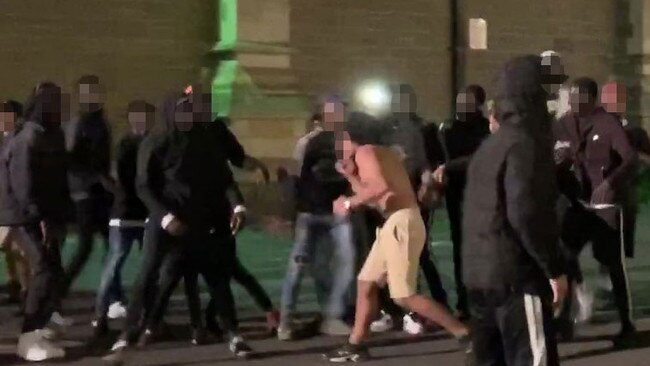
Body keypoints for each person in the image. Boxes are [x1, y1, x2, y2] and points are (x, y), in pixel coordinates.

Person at [106, 90, 253, 361]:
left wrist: (237, 205)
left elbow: (224, 177)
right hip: (165, 223)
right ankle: (126, 335)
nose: (187, 116)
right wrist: (165, 217)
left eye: (190, 111)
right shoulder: (156, 141)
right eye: (181, 111)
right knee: (147, 275)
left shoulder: (203, 139)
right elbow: (144, 186)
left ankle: (234, 334)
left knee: (217, 277)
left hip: (200, 221)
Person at [323, 130, 470, 362]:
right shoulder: (376, 155)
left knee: (404, 296)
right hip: (395, 223)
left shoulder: (365, 152)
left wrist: (349, 202)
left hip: (401, 224)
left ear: (351, 139)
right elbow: (378, 199)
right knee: (366, 284)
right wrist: (351, 178)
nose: (337, 151)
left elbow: (379, 188)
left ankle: (464, 334)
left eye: (340, 144)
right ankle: (355, 345)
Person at [463, 55, 567, 366]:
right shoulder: (525, 144)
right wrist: (554, 268)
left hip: (480, 279)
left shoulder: (489, 147)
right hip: (516, 279)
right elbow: (525, 213)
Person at [554, 77, 638, 347]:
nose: (574, 103)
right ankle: (564, 321)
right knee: (565, 259)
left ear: (592, 98)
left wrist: (610, 184)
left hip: (604, 208)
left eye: (579, 97)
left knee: (614, 266)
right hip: (577, 206)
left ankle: (627, 326)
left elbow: (630, 159)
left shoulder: (608, 123)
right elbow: (551, 155)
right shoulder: (563, 124)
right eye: (571, 98)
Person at [0, 83, 72, 361]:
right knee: (41, 267)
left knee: (52, 269)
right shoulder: (28, 137)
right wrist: (39, 216)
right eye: (56, 104)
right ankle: (28, 337)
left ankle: (41, 328)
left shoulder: (48, 135)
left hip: (40, 213)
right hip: (22, 216)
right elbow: (23, 183)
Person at [370, 84, 450, 335]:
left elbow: (433, 164)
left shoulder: (424, 129)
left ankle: (431, 308)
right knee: (386, 256)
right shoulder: (384, 129)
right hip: (389, 201)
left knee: (418, 255)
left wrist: (429, 186)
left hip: (413, 200)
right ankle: (392, 310)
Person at [278, 96, 357, 340]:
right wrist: (290, 215)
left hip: (334, 214)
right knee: (298, 267)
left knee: (337, 264)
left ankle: (331, 316)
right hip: (310, 214)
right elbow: (295, 179)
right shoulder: (308, 143)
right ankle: (286, 321)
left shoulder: (345, 141)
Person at [91, 100, 154, 338]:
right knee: (120, 262)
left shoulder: (130, 144)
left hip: (136, 213)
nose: (142, 121)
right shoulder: (132, 145)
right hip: (130, 213)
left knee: (132, 264)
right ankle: (101, 314)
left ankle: (105, 315)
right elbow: (134, 179)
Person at [433, 85, 491, 318]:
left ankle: (483, 301)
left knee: (482, 250)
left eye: (467, 100)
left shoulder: (485, 128)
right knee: (460, 250)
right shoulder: (449, 128)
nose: (462, 105)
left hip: (479, 196)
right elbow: (440, 157)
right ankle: (465, 302)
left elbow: (480, 157)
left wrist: (448, 166)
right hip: (456, 194)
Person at [63, 75, 115, 294]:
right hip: (84, 191)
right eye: (87, 93)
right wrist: (97, 176)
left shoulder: (102, 123)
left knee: (112, 243)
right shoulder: (79, 124)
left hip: (99, 191)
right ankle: (59, 289)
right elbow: (70, 159)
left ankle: (114, 292)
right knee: (86, 246)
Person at [0, 100, 29, 306]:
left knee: (13, 246)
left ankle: (27, 289)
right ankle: (15, 284)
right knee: (10, 247)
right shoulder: (4, 140)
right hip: (3, 201)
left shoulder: (18, 140)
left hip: (14, 202)